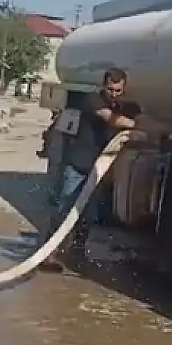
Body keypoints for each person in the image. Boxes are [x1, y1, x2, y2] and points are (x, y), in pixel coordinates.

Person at [40, 67, 137, 271]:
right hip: (78, 164)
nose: (114, 94)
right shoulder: (93, 101)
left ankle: (77, 251)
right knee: (66, 208)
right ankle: (49, 253)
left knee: (88, 214)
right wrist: (137, 126)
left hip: (98, 168)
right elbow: (110, 118)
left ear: (124, 89)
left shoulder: (125, 107)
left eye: (118, 90)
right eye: (111, 89)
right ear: (104, 86)